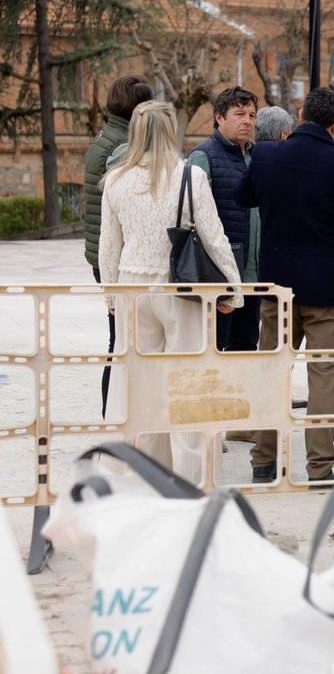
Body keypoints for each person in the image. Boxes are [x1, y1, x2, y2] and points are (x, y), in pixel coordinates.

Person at [236, 86, 334, 486]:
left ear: (300, 114)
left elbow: (243, 195)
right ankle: (320, 468)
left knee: (271, 370)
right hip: (328, 289)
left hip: (277, 286)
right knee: (324, 377)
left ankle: (262, 462)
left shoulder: (266, 155)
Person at [99, 101, 243, 484]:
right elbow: (213, 237)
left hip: (132, 288)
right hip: (180, 290)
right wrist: (233, 290)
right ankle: (189, 478)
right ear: (170, 131)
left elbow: (108, 246)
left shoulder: (115, 179)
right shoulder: (188, 176)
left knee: (134, 383)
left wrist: (110, 294)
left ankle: (128, 471)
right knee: (188, 385)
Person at [83, 74, 154, 417]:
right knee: (123, 340)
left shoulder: (108, 136)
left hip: (104, 252)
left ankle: (114, 413)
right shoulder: (122, 146)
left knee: (120, 338)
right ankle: (114, 414)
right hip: (118, 255)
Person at [186, 86, 260, 353]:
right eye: (239, 114)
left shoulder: (257, 157)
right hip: (219, 277)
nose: (247, 121)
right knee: (216, 349)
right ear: (219, 117)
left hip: (253, 275)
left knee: (246, 348)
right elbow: (192, 219)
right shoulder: (202, 156)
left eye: (252, 115)